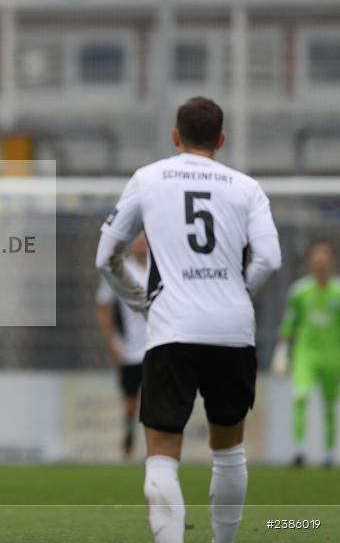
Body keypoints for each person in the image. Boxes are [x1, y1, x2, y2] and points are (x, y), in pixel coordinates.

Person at [95, 96, 282, 543]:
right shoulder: (247, 187)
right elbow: (270, 259)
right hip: (232, 332)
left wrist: (141, 301)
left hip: (172, 329)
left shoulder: (148, 178)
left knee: (162, 457)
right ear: (222, 139)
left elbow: (106, 258)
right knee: (229, 451)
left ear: (176, 136)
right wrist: (237, 292)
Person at [273, 242, 340, 468]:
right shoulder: (299, 292)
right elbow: (289, 323)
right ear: (311, 263)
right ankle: (299, 450)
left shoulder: (338, 292)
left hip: (333, 356)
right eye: (317, 260)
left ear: (330, 262)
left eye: (324, 260)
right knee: (300, 397)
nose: (320, 264)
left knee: (330, 405)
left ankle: (329, 453)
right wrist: (281, 352)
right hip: (305, 354)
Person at [95, 232, 148, 458]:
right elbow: (103, 306)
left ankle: (157, 447)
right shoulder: (120, 270)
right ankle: (128, 444)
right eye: (137, 242)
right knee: (130, 401)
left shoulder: (162, 267)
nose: (141, 246)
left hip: (159, 346)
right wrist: (114, 343)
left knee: (159, 400)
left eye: (144, 242)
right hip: (131, 350)